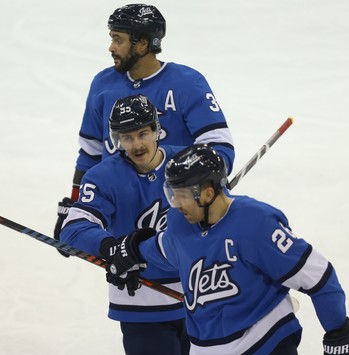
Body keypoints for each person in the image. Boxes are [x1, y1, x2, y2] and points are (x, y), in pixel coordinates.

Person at [104, 144, 349, 355]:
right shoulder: (180, 225)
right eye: (172, 194)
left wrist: (338, 333)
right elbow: (162, 249)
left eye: (181, 194)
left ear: (206, 193)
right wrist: (130, 252)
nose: (175, 203)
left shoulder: (256, 223)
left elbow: (317, 275)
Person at [60, 95, 234, 355]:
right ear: (116, 140)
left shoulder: (185, 166)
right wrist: (110, 247)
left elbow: (227, 224)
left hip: (198, 301)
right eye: (127, 137)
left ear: (157, 130)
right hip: (142, 308)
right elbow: (72, 228)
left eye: (142, 133)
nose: (137, 144)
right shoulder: (103, 177)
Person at [54, 3, 234, 248]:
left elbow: (219, 147)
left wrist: (207, 183)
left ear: (142, 44)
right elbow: (90, 153)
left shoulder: (186, 83)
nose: (111, 47)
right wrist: (77, 206)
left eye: (118, 40)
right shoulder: (103, 85)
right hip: (124, 215)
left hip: (179, 216)